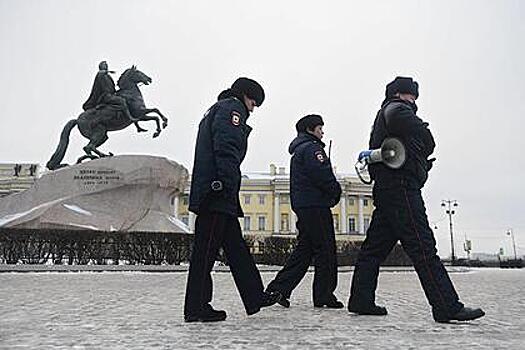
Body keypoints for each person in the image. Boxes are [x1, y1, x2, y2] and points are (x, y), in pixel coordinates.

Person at [347, 76, 485, 323]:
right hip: (401, 188)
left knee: (373, 251)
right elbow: (420, 133)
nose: (415, 100)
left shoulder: (386, 112)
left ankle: (361, 300)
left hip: (388, 189)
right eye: (412, 95)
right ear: (402, 94)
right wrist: (427, 141)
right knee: (423, 247)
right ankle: (446, 306)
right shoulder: (397, 108)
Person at [184, 77, 281, 322]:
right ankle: (196, 307)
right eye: (253, 102)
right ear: (244, 95)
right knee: (205, 254)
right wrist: (227, 186)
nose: (253, 108)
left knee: (236, 249)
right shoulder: (231, 109)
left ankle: (255, 296)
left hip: (215, 190)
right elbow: (226, 149)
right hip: (217, 192)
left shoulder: (217, 109)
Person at [266, 114, 343, 309]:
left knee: (304, 251)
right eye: (320, 128)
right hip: (316, 205)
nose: (322, 132)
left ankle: (278, 290)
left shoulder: (299, 150)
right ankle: (324, 295)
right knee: (325, 250)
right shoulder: (313, 149)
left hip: (304, 206)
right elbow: (322, 174)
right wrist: (335, 191)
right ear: (310, 129)